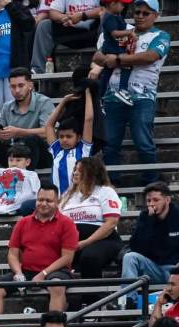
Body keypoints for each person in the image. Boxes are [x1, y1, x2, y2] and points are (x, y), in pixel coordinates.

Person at [94, 0, 168, 184]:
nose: (140, 16)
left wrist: (117, 60)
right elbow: (96, 56)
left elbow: (150, 57)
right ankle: (111, 184)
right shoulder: (121, 29)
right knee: (110, 144)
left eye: (146, 13)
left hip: (142, 97)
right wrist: (108, 59)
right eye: (137, 12)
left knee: (143, 143)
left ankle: (152, 183)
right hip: (112, 96)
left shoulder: (161, 35)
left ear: (156, 16)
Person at [0, 185, 78, 317]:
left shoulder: (67, 223)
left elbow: (67, 258)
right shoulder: (23, 223)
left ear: (58, 202)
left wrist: (43, 273)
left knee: (57, 285)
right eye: (40, 200)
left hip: (56, 272)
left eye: (49, 201)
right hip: (26, 271)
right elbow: (12, 253)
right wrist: (18, 273)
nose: (43, 204)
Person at [0, 68, 53, 185]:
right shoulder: (7, 106)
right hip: (15, 154)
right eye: (13, 86)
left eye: (21, 86)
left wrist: (19, 132)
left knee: (31, 139)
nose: (17, 90)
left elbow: (48, 132)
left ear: (30, 85)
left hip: (41, 154)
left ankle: (24, 182)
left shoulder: (44, 102)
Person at [58, 156, 122, 285]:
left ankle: (91, 300)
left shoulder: (105, 192)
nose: (75, 173)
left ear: (92, 172)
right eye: (75, 169)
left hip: (103, 239)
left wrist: (85, 242)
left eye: (80, 170)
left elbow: (111, 223)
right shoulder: (67, 195)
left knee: (89, 257)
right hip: (71, 241)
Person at [123, 182, 179, 284]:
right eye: (148, 201)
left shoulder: (177, 215)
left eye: (156, 200)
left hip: (175, 270)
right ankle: (128, 299)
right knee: (129, 257)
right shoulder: (145, 217)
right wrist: (149, 221)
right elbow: (136, 247)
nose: (151, 204)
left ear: (167, 200)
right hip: (153, 269)